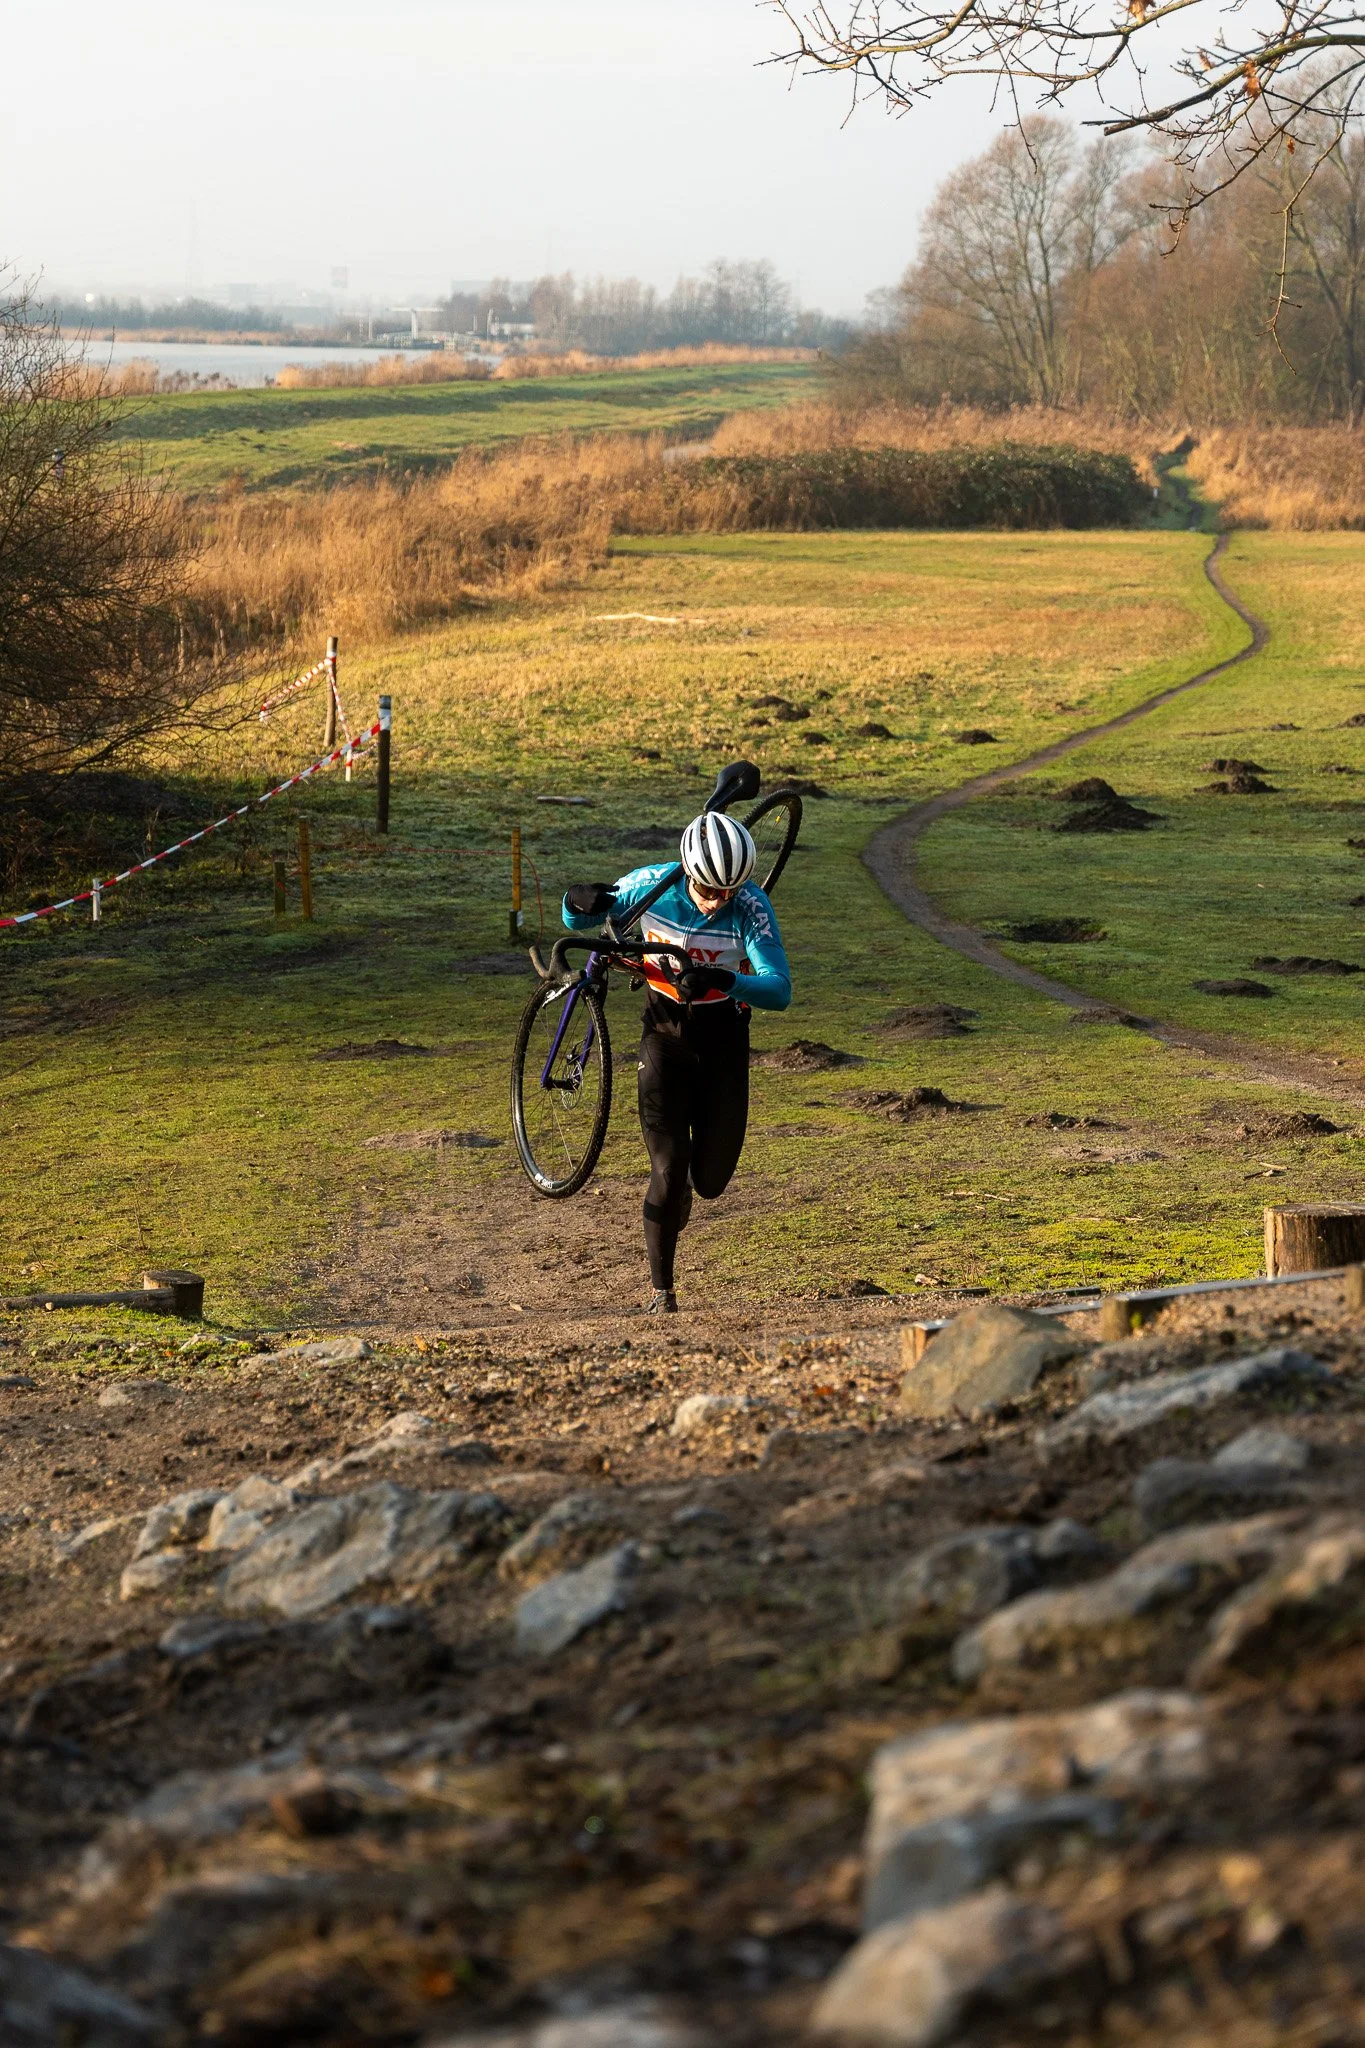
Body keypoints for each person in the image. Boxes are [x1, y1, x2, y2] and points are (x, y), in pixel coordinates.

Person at [562, 812, 792, 1313]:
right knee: (668, 1167)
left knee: (708, 1182)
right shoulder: (652, 884)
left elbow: (780, 989)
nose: (720, 901)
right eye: (711, 889)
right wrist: (576, 902)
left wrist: (721, 981)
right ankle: (661, 1294)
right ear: (689, 871)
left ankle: (691, 1187)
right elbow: (578, 922)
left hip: (724, 1044)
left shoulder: (750, 906)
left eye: (730, 890)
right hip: (663, 1039)